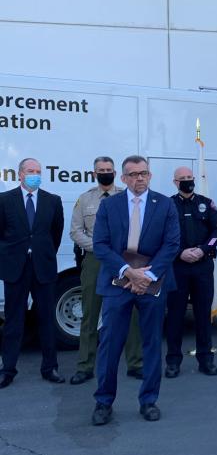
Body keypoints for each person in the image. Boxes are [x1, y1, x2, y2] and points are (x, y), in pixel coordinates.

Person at [90, 155, 180, 425]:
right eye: (133, 174)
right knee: (110, 344)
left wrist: (147, 276)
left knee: (152, 343)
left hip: (153, 281)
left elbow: (172, 244)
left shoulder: (165, 205)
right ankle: (103, 402)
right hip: (118, 282)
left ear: (150, 176)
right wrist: (128, 272)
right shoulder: (110, 206)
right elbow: (101, 245)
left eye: (144, 173)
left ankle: (149, 400)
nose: (139, 178)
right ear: (123, 178)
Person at [69, 156, 144, 385]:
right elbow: (76, 232)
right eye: (101, 170)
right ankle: (85, 365)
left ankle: (136, 363)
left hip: (126, 261)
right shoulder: (85, 200)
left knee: (131, 313)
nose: (105, 172)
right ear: (94, 173)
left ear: (116, 172)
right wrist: (102, 249)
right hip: (95, 261)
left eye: (109, 169)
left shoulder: (127, 196)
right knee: (90, 313)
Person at [0, 158, 65, 388]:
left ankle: (50, 368)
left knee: (46, 319)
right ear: (20, 174)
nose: (35, 174)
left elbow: (55, 234)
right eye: (30, 171)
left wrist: (41, 253)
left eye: (38, 171)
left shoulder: (52, 201)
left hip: (43, 268)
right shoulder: (5, 200)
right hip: (15, 269)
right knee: (13, 321)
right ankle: (7, 369)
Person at [164, 166, 217, 378]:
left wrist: (203, 249)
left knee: (202, 315)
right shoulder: (167, 205)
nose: (187, 181)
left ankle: (206, 360)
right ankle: (173, 361)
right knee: (175, 317)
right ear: (175, 182)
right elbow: (163, 236)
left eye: (189, 177)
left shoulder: (206, 204)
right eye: (182, 179)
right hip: (177, 267)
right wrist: (179, 253)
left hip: (202, 267)